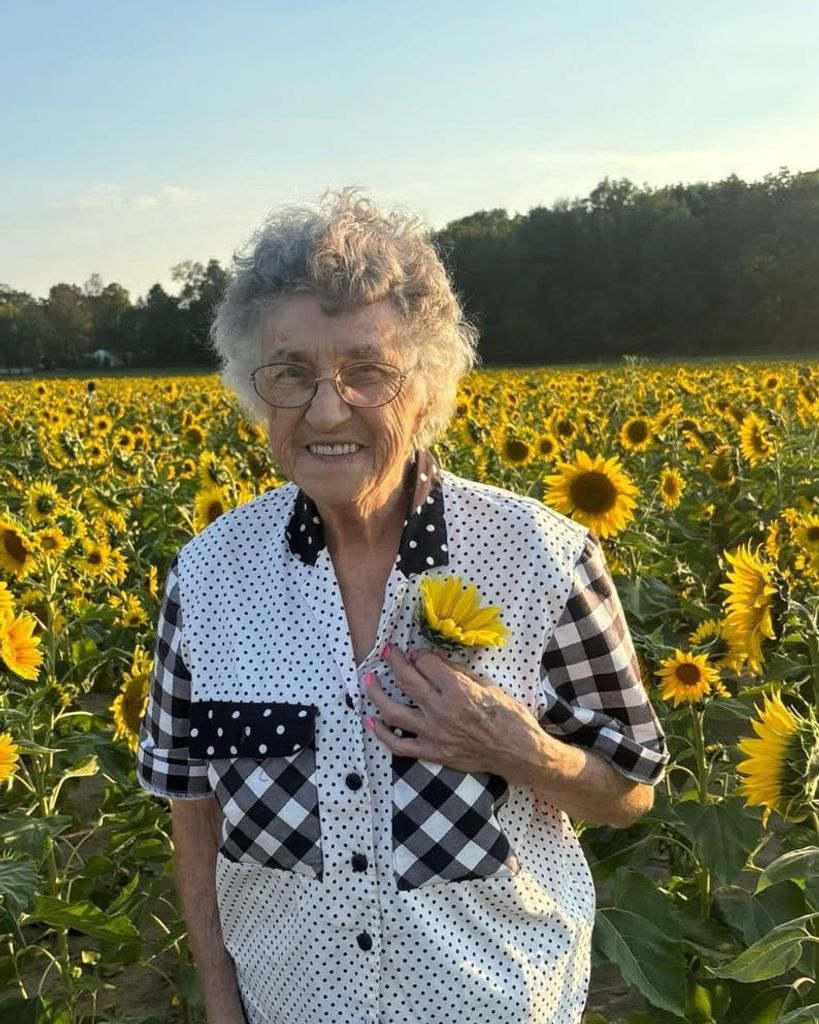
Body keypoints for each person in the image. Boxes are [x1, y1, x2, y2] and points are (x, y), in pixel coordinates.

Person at [136, 189, 668, 1024]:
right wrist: (218, 998)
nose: (325, 408)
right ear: (253, 389)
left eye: (366, 371)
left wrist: (523, 752)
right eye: (290, 373)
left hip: (494, 1002)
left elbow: (629, 794)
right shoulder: (207, 579)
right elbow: (192, 807)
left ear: (424, 389)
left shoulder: (543, 558)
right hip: (290, 1005)